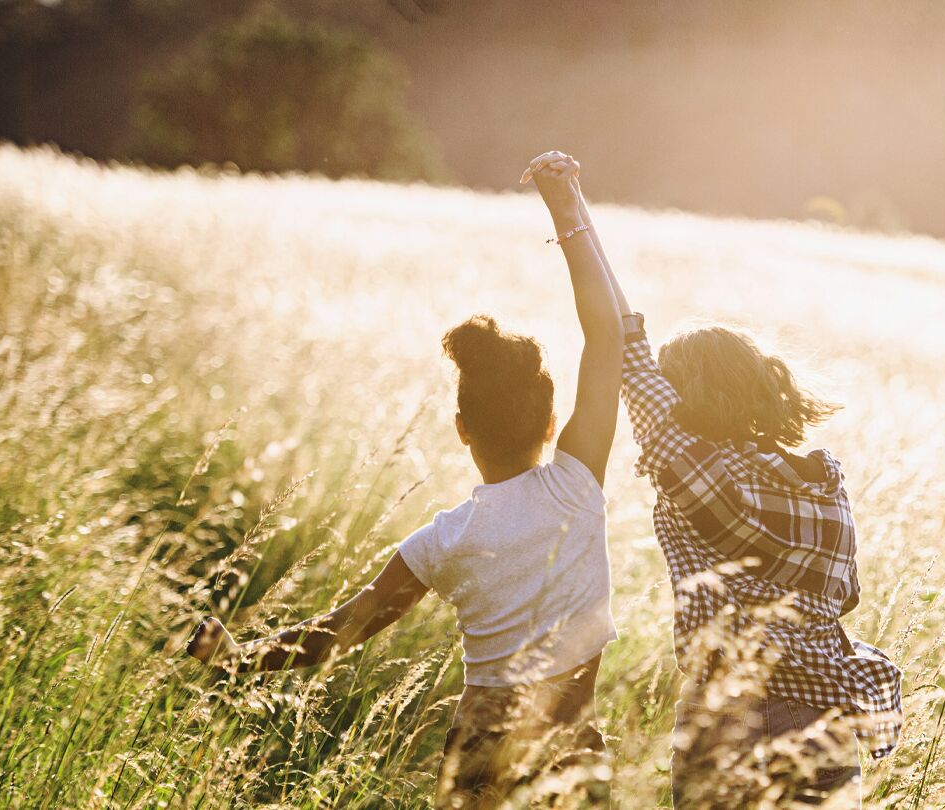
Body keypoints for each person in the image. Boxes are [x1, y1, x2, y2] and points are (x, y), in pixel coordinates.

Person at [186, 151, 622, 808]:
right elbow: (607, 334)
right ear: (553, 419)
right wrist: (566, 206)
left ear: (461, 428)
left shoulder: (443, 541)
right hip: (570, 755)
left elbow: (340, 632)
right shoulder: (576, 486)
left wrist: (240, 656)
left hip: (479, 760)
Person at [587, 228, 905, 804]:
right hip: (829, 716)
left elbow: (629, 355)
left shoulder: (700, 474)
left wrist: (570, 212)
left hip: (738, 715)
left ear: (683, 397)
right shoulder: (825, 481)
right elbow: (845, 596)